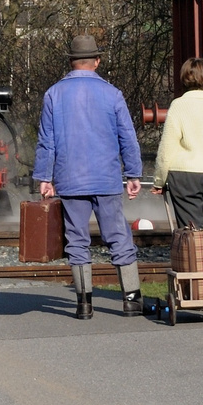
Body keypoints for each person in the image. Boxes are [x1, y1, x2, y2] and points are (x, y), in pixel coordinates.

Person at [33, 34, 144, 319]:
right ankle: (131, 300)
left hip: (70, 179)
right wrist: (133, 173)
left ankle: (84, 304)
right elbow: (127, 138)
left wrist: (44, 177)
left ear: (71, 62)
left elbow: (47, 141)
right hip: (106, 178)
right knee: (118, 236)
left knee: (77, 240)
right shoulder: (112, 94)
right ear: (97, 61)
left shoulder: (54, 94)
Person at [152, 57, 203, 262]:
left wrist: (159, 181)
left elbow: (167, 149)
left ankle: (195, 287)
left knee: (192, 234)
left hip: (185, 175)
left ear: (184, 79)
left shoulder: (179, 106)